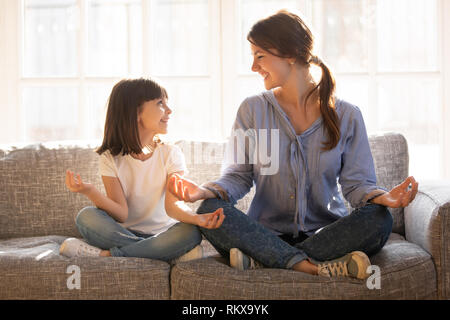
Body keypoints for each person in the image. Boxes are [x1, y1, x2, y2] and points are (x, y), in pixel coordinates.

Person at [168, 10, 418, 279]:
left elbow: (356, 185)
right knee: (209, 210)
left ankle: (266, 259)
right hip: (263, 232)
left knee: (379, 219)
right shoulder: (252, 110)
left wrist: (385, 198)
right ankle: (310, 264)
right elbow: (238, 176)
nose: (253, 67)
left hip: (327, 233)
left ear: (290, 55)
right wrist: (202, 192)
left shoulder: (347, 115)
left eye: (260, 56)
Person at [60, 78, 225, 262]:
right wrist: (90, 191)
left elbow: (173, 206)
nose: (169, 111)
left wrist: (196, 219)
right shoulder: (110, 158)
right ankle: (163, 252)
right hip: (125, 232)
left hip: (166, 232)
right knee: (86, 217)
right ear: (136, 113)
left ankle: (108, 255)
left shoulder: (170, 153)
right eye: (160, 103)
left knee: (191, 232)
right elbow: (122, 214)